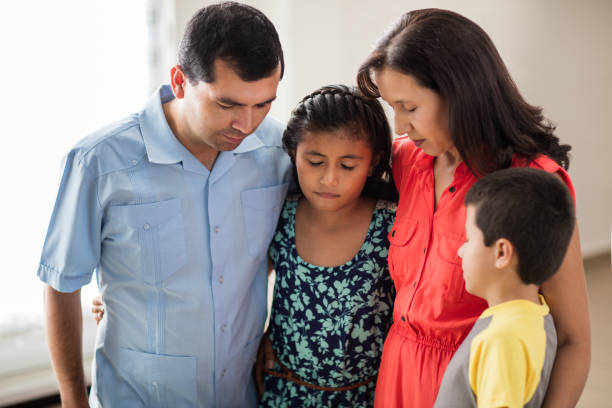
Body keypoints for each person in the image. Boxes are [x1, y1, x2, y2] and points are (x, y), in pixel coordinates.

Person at [37, 2, 291, 407]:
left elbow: (282, 252)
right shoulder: (100, 162)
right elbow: (61, 284)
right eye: (227, 104)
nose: (246, 124)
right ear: (179, 81)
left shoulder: (280, 153)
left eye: (262, 104)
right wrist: (73, 400)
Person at [356, 8, 590, 408]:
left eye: (410, 107)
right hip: (397, 377)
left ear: (459, 92)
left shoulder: (532, 184)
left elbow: (573, 340)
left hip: (475, 384)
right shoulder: (406, 162)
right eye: (392, 107)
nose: (399, 126)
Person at [253, 85, 396, 406]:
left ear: (372, 164)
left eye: (347, 166)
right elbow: (245, 287)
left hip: (366, 398)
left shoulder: (391, 225)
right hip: (285, 393)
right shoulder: (280, 214)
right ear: (294, 155)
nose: (329, 178)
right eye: (315, 162)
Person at [434, 168, 575, 408]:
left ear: (501, 252)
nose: (461, 251)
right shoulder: (537, 315)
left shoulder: (503, 340)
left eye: (469, 240)